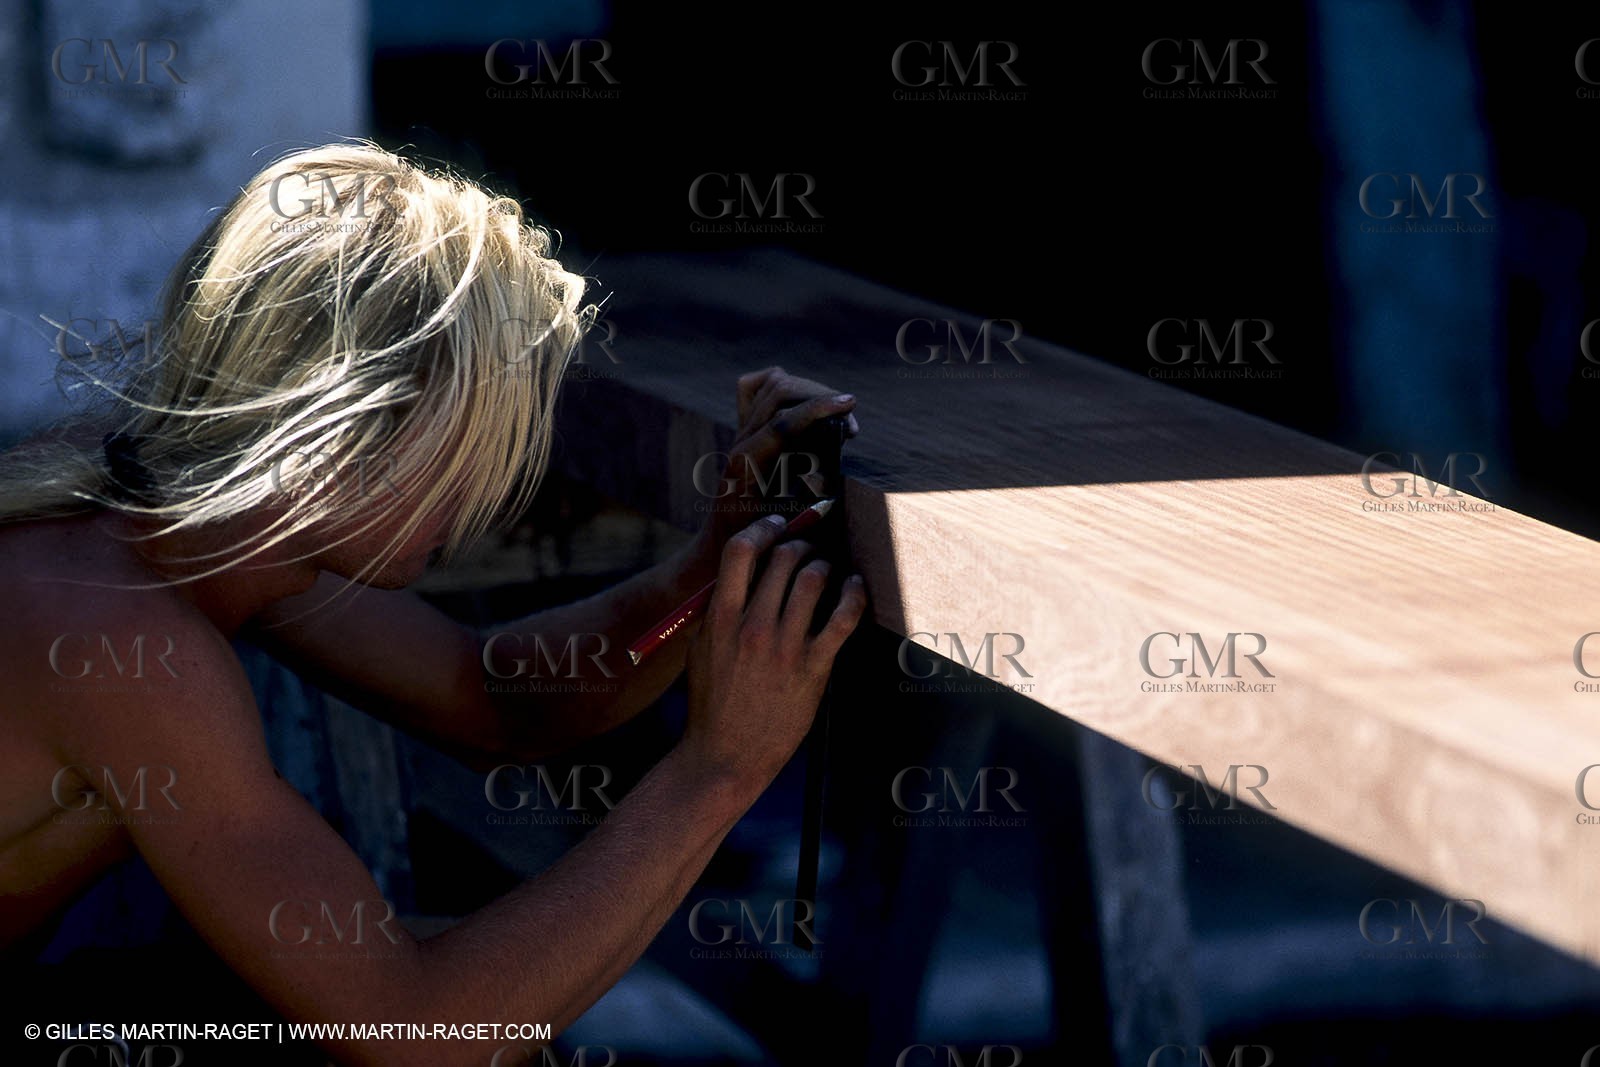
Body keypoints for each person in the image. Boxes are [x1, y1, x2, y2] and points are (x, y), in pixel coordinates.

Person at [0, 142, 866, 1065]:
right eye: (459, 450)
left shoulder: (183, 513)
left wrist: (710, 569)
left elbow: (491, 695)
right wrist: (720, 771)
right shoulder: (124, 640)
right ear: (341, 428)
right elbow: (420, 1035)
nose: (479, 496)